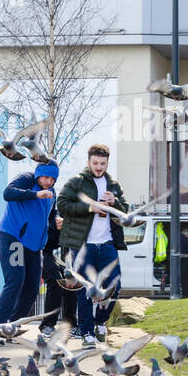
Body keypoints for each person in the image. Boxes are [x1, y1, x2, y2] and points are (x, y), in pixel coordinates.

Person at [57, 143, 129, 345]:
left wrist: (115, 203)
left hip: (107, 243)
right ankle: (87, 333)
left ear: (107, 163)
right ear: (88, 162)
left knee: (115, 285)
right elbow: (62, 204)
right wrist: (90, 207)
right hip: (83, 245)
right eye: (95, 163)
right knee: (84, 290)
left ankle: (101, 323)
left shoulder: (113, 184)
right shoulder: (77, 182)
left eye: (103, 163)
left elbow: (125, 211)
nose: (99, 167)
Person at [0, 161, 60, 344]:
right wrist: (35, 194)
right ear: (38, 175)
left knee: (32, 287)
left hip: (34, 246)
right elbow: (8, 193)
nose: (49, 182)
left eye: (53, 179)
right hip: (12, 238)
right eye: (46, 177)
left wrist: (56, 219)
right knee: (15, 281)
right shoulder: (26, 180)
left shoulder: (52, 192)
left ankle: (13, 326)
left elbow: (51, 213)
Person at [39, 209, 77, 338]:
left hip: (54, 252)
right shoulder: (55, 212)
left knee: (71, 282)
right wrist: (56, 222)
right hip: (39, 250)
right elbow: (54, 215)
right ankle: (47, 325)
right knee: (55, 281)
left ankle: (70, 325)